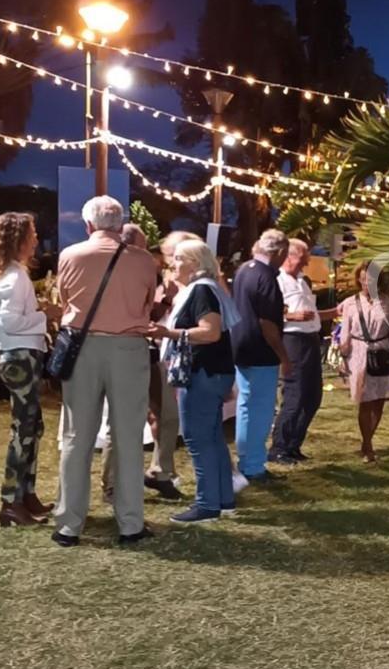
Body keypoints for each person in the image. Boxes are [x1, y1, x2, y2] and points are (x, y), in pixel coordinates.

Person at [53, 196, 157, 547]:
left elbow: (65, 300)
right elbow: (147, 304)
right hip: (129, 348)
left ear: (88, 225)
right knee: (128, 437)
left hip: (83, 349)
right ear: (119, 223)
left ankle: (69, 524)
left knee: (75, 437)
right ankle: (130, 523)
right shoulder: (144, 260)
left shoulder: (71, 255)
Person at [147, 239, 240, 523]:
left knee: (198, 439)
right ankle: (222, 499)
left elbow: (209, 332)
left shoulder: (200, 291)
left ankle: (207, 504)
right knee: (211, 437)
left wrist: (169, 334)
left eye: (178, 258)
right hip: (213, 372)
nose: (171, 264)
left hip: (202, 373)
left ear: (194, 263)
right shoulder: (208, 289)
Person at [0, 212, 59, 527]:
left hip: (20, 355)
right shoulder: (14, 277)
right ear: (19, 239)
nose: (37, 238)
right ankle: (12, 501)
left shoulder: (12, 274)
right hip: (20, 356)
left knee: (31, 428)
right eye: (33, 233)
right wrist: (45, 316)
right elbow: (11, 322)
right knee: (23, 432)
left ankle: (25, 495)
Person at [100, 224, 183, 503]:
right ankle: (112, 484)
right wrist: (164, 299)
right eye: (141, 247)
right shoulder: (113, 274)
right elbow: (140, 315)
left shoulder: (149, 272)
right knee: (122, 420)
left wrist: (166, 298)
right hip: (124, 353)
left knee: (168, 415)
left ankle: (160, 472)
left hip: (152, 353)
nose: (148, 255)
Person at [230, 229, 292, 486]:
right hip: (260, 350)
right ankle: (254, 465)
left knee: (246, 406)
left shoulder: (244, 270)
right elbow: (267, 323)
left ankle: (247, 459)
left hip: (240, 346)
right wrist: (283, 356)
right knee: (262, 410)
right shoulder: (266, 277)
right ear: (278, 252)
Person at [269, 238, 336, 464]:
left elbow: (312, 314)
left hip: (310, 340)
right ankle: (279, 448)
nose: (307, 260)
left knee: (312, 396)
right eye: (303, 256)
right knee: (295, 395)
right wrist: (290, 316)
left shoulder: (301, 281)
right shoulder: (276, 280)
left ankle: (293, 445)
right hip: (292, 341)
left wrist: (336, 311)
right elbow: (265, 315)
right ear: (289, 256)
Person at [338, 262, 389, 462]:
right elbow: (345, 331)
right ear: (358, 279)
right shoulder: (351, 303)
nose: (366, 282)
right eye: (363, 278)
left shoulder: (386, 302)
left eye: (370, 278)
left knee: (379, 402)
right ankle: (368, 446)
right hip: (359, 355)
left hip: (383, 353)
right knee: (365, 402)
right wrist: (344, 357)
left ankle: (366, 441)